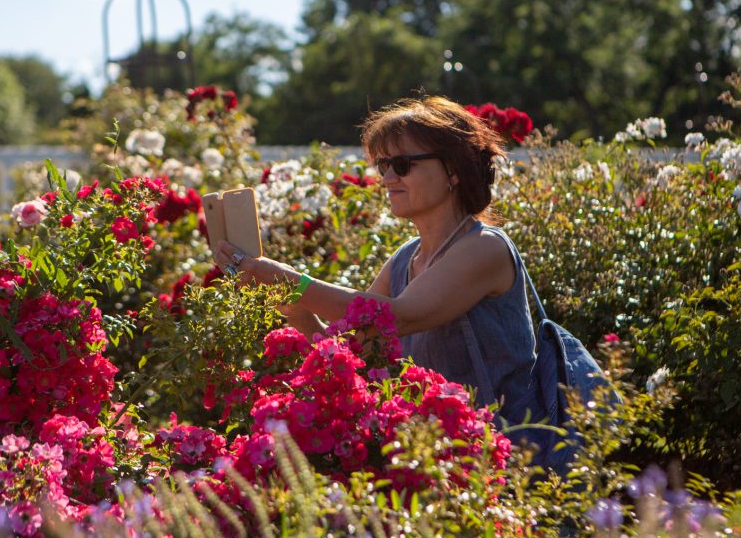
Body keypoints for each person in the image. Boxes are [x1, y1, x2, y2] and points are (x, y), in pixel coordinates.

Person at [214, 95, 545, 434]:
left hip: (507, 458)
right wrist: (287, 303)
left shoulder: (484, 247)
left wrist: (289, 280)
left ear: (453, 170)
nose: (388, 178)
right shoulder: (406, 257)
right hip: (437, 455)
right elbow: (351, 351)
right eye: (382, 166)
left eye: (401, 165)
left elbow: (395, 316)